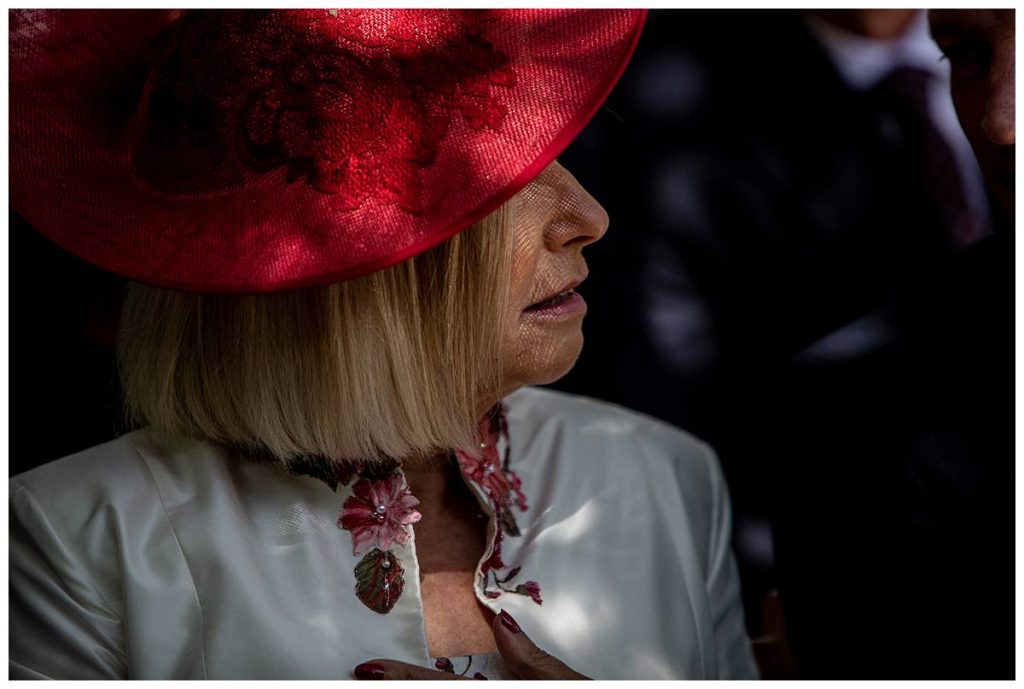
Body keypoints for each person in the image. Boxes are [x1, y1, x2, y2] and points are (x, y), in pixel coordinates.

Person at [8, 9, 758, 680]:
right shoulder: (72, 541)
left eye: (554, 158)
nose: (587, 217)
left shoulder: (666, 475)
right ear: (347, 283)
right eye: (497, 187)